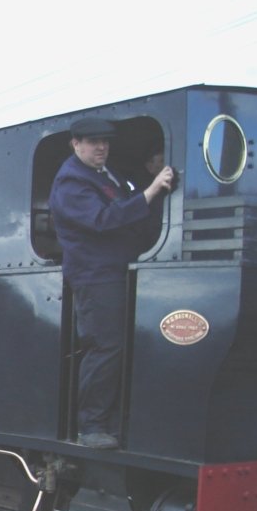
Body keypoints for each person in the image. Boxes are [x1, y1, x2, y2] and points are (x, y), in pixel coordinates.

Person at [48, 117, 174, 450]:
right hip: (95, 274)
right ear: (76, 144)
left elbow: (128, 210)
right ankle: (90, 427)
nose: (101, 147)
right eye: (92, 142)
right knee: (105, 346)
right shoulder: (71, 182)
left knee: (120, 346)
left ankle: (114, 419)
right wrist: (151, 190)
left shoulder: (107, 174)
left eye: (104, 141)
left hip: (119, 269)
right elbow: (103, 219)